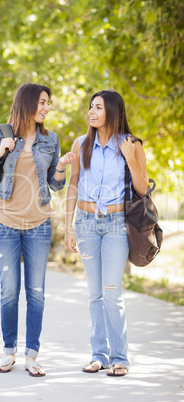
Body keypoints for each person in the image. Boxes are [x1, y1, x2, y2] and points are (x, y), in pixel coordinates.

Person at [0, 83, 75, 377]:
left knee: (37, 292)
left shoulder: (50, 139)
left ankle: (32, 355)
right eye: (42, 102)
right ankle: (8, 353)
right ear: (27, 103)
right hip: (4, 221)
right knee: (9, 291)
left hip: (39, 223)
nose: (46, 108)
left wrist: (63, 166)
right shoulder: (0, 133)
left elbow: (55, 184)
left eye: (48, 103)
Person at [65, 90, 149, 377]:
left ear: (112, 111)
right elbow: (72, 185)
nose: (91, 111)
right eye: (91, 107)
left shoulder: (131, 144)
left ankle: (120, 358)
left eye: (98, 107)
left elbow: (141, 187)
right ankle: (98, 355)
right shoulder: (81, 144)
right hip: (86, 224)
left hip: (115, 225)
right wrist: (67, 226)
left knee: (111, 291)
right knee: (94, 293)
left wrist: (130, 158)